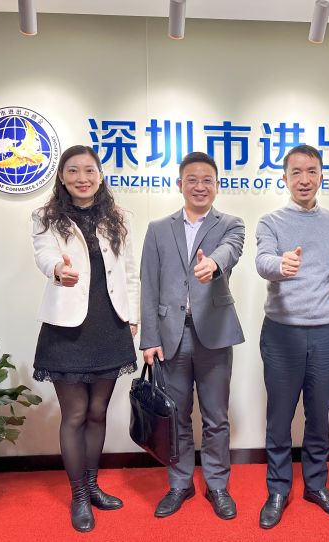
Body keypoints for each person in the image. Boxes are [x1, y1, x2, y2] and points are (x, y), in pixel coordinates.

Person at [31, 145, 140, 533]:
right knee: (75, 414)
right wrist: (57, 271)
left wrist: (133, 316)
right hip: (67, 328)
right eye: (73, 171)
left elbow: (129, 272)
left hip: (110, 325)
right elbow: (44, 255)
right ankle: (78, 494)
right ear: (62, 177)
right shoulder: (46, 217)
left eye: (89, 170)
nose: (82, 177)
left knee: (98, 412)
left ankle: (93, 486)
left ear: (100, 175)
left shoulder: (117, 217)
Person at [139, 151, 245, 520]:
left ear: (217, 185)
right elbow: (149, 285)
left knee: (216, 417)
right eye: (192, 180)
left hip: (214, 333)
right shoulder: (158, 228)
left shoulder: (231, 224)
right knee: (176, 416)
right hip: (171, 335)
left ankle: (217, 485)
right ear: (180, 184)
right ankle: (179, 483)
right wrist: (149, 338)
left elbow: (230, 252)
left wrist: (213, 263)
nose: (200, 186)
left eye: (207, 180)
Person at [255, 144, 329, 529]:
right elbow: (263, 261)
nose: (304, 179)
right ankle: (278, 489)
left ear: (321, 176)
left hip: (327, 333)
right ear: (285, 179)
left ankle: (316, 485)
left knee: (319, 416)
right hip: (283, 334)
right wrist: (282, 264)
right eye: (296, 172)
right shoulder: (271, 222)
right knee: (279, 418)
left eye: (311, 171)